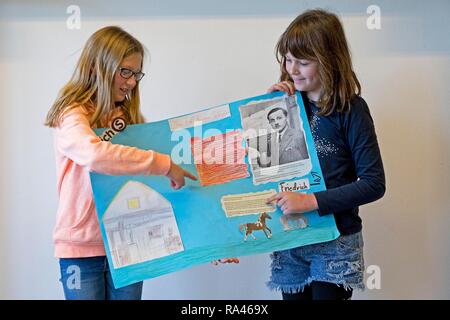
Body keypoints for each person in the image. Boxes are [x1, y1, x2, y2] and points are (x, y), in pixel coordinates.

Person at [44, 26, 197, 300]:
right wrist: (164, 164)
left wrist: (217, 240)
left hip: (129, 244)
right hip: (81, 249)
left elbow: (154, 185)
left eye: (136, 74)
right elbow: (95, 156)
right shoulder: (72, 115)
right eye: (125, 71)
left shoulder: (127, 119)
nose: (132, 82)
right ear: (97, 67)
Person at [265, 9, 386, 300]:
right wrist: (265, 110)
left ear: (330, 61)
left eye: (303, 62)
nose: (292, 69)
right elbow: (265, 167)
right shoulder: (287, 105)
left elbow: (373, 182)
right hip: (291, 238)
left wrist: (311, 201)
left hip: (336, 242)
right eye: (288, 59)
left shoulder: (352, 110)